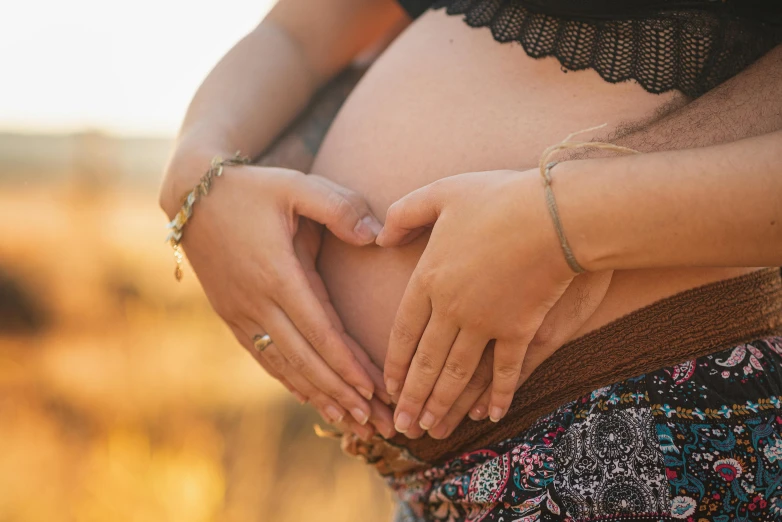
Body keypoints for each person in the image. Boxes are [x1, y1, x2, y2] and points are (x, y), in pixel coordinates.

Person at [159, 0, 782, 519]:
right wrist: (196, 174)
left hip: (655, 423)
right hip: (430, 479)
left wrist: (561, 225)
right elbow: (295, 33)